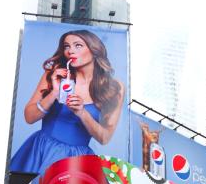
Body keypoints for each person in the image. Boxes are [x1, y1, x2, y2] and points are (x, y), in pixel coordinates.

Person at [9, 29, 126, 175]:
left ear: (94, 49)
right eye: (66, 46)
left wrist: (82, 113)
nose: (70, 51)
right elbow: (29, 117)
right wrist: (54, 93)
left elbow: (104, 137)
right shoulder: (54, 74)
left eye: (78, 45)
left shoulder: (114, 87)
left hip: (78, 161)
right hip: (41, 151)